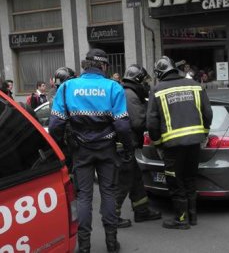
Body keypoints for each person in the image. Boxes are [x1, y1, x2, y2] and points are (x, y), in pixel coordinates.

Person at [49, 49, 134, 253]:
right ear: (104, 66)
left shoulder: (68, 86)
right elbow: (122, 126)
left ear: (85, 65)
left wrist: (62, 148)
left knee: (84, 197)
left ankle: (84, 246)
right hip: (107, 149)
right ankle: (112, 244)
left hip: (80, 150)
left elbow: (55, 126)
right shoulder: (113, 87)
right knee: (108, 193)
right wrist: (129, 148)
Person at [147, 56, 213, 230]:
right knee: (190, 178)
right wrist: (204, 134)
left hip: (172, 146)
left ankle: (181, 219)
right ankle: (192, 216)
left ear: (159, 73)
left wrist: (158, 142)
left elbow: (151, 123)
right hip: (194, 143)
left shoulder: (157, 90)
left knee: (176, 183)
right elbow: (208, 113)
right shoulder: (196, 86)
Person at [116, 64, 161, 228]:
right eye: (144, 81)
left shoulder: (127, 92)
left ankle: (142, 211)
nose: (146, 85)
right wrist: (152, 116)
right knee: (123, 182)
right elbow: (138, 121)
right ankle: (112, 216)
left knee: (135, 178)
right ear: (137, 81)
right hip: (124, 147)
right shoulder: (130, 95)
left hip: (126, 146)